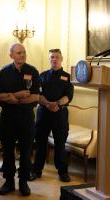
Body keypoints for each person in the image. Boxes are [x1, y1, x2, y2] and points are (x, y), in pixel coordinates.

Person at [0, 43, 40, 196]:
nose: (22, 55)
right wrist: (18, 94)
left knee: (26, 152)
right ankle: (8, 181)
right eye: (19, 53)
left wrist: (14, 98)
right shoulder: (4, 72)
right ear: (11, 55)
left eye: (24, 52)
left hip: (26, 118)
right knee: (8, 151)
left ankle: (23, 182)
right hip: (8, 118)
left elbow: (35, 96)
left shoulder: (32, 71)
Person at [32, 48, 73, 182]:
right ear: (49, 60)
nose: (54, 59)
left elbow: (68, 96)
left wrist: (57, 104)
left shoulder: (67, 77)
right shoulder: (42, 75)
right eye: (52, 57)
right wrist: (48, 104)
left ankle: (63, 172)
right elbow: (38, 94)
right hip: (43, 114)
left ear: (61, 59)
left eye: (56, 57)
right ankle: (36, 170)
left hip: (60, 114)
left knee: (60, 144)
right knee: (41, 143)